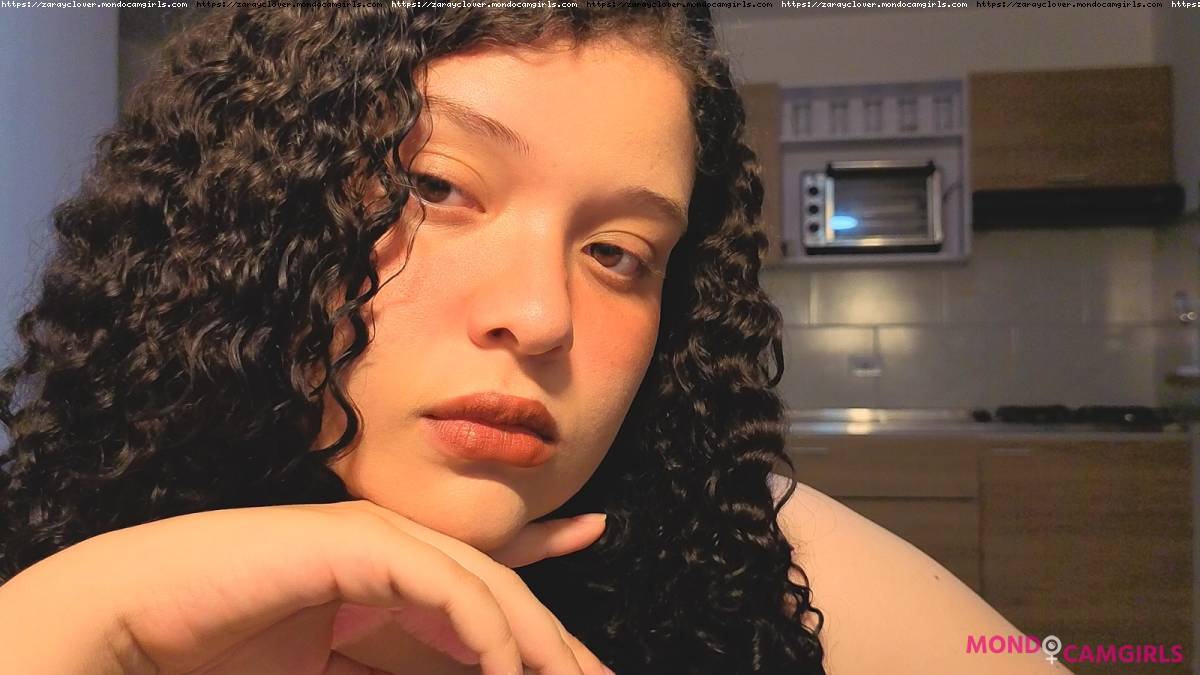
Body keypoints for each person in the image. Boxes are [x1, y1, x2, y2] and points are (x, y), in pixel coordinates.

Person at [0, 6, 1070, 674]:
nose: (544, 315)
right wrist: (93, 624)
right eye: (436, 187)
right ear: (247, 211)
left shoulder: (741, 545)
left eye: (617, 252)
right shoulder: (50, 572)